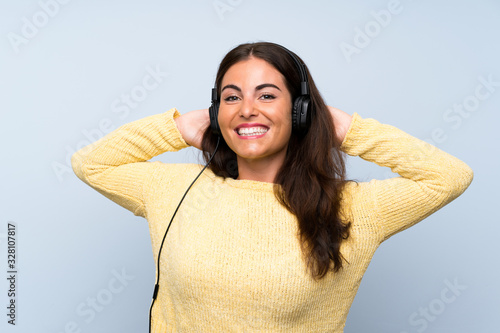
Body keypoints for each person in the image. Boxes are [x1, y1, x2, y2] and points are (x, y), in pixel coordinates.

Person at [71, 42, 474, 332]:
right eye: (231, 98)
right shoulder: (173, 190)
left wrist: (348, 129)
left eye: (267, 95)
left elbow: (449, 176)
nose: (247, 109)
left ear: (299, 110)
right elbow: (90, 163)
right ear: (216, 111)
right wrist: (177, 127)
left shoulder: (355, 208)